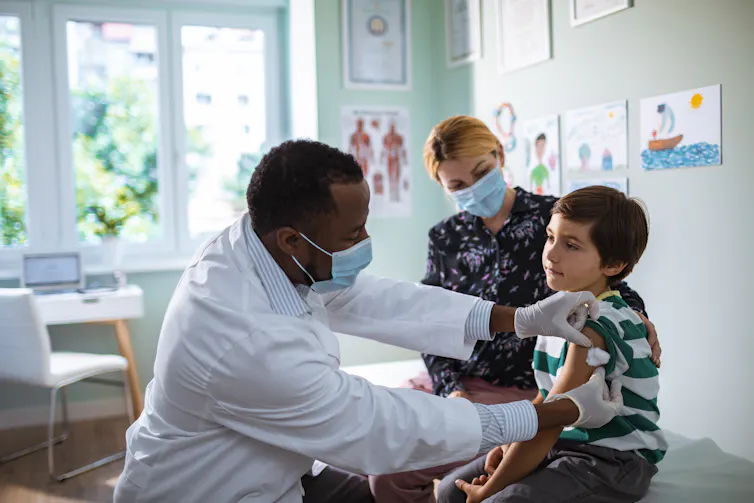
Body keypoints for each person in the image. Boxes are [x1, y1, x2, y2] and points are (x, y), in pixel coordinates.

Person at [113, 139, 625, 503]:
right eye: (352, 234)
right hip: (209, 487)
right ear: (293, 239)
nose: (364, 245)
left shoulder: (261, 243)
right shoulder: (242, 338)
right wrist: (549, 415)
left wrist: (521, 318)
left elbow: (379, 301)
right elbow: (377, 425)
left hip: (273, 464)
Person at [369, 116, 660, 503]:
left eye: (482, 172)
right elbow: (431, 321)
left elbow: (611, 287)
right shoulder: (445, 237)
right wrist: (452, 390)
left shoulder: (552, 217)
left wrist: (639, 320)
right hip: (471, 385)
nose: (472, 188)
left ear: (499, 156)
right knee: (388, 472)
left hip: (529, 389)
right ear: (442, 186)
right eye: (457, 185)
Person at [441, 186, 667, 503]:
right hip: (563, 444)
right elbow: (545, 398)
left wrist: (489, 490)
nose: (551, 253)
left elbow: (552, 420)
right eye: (550, 237)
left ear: (613, 265)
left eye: (571, 245)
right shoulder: (556, 315)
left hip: (610, 459)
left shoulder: (595, 329)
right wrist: (506, 445)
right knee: (447, 491)